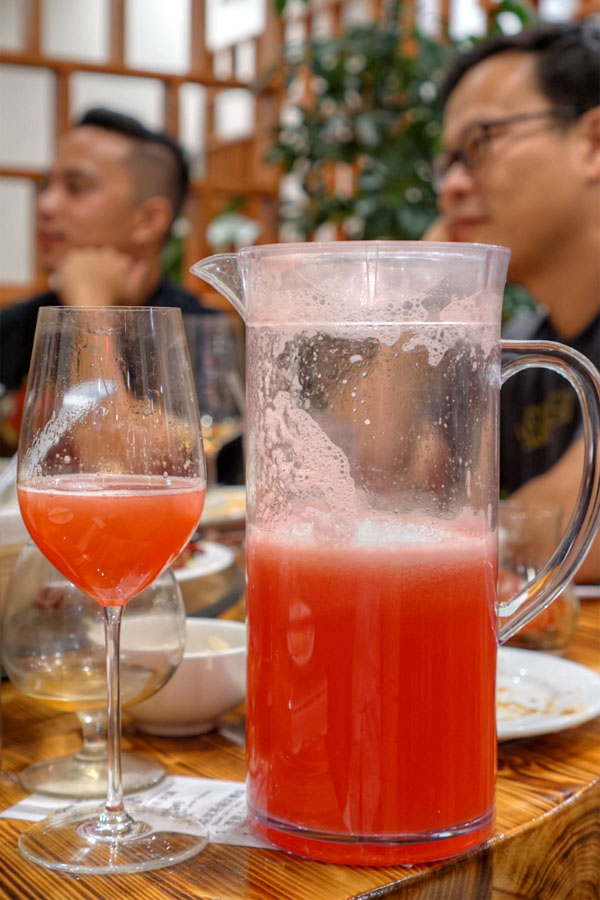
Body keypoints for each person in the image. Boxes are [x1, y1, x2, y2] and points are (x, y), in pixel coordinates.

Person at [425, 22, 600, 582]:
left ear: (593, 144)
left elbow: (575, 530)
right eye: (447, 163)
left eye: (480, 144)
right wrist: (424, 292)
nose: (452, 187)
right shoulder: (527, 352)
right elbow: (389, 484)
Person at [0, 107, 215, 400]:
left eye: (76, 188)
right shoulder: (13, 329)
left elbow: (110, 444)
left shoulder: (205, 338)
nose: (45, 204)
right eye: (46, 186)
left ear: (149, 220)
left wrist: (89, 304)